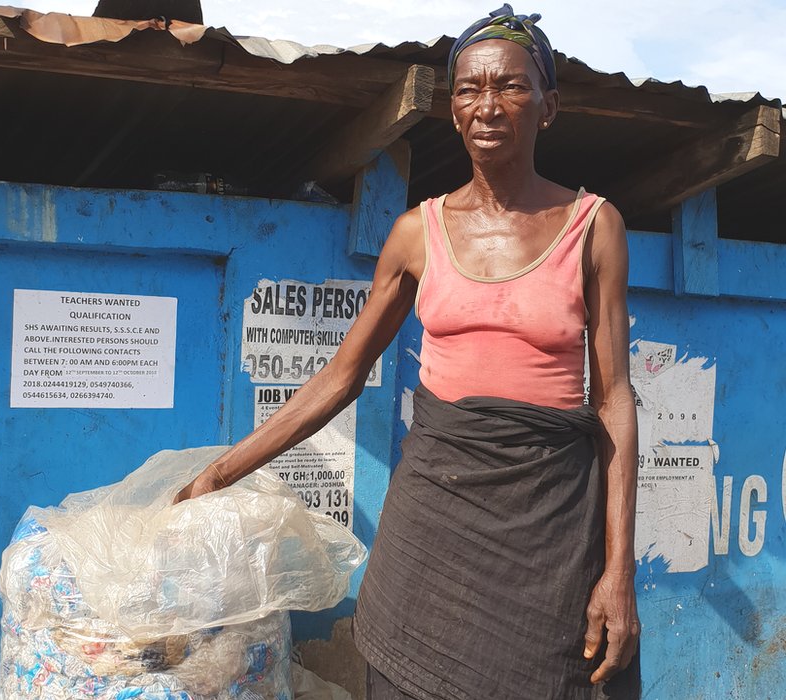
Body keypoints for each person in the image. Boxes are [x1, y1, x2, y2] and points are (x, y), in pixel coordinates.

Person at [175, 5, 641, 698]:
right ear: (451, 109)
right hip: (434, 521)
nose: (487, 106)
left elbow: (613, 401)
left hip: (550, 530)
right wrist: (222, 473)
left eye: (511, 87)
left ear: (547, 106)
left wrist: (618, 571)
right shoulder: (416, 235)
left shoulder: (593, 227)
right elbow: (340, 376)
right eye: (469, 89)